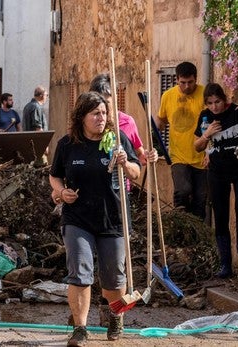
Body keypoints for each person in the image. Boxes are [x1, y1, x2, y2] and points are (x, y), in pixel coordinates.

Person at [50, 92, 151, 346]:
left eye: (104, 113)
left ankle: (115, 316)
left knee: (113, 279)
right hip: (77, 219)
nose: (101, 118)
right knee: (80, 272)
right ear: (81, 117)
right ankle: (80, 329)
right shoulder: (67, 145)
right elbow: (55, 176)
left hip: (113, 218)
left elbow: (137, 174)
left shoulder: (117, 141)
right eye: (95, 113)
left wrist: (125, 163)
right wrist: (62, 192)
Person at [193, 83, 238, 278]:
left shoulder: (237, 112)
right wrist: (207, 134)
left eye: (217, 102)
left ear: (224, 99)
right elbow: (197, 147)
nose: (214, 107)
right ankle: (225, 264)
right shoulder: (205, 117)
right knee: (220, 215)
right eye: (210, 103)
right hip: (217, 171)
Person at [155, 62, 207, 219]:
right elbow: (161, 120)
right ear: (176, 80)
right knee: (182, 191)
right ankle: (180, 224)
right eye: (182, 82)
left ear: (195, 79)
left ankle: (198, 236)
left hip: (201, 157)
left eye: (190, 82)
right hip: (178, 155)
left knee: (200, 198)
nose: (186, 86)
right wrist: (155, 131)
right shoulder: (168, 96)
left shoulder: (204, 95)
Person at [90, 74, 147, 165]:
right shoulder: (86, 122)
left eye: (106, 102)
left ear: (115, 97)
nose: (101, 106)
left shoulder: (127, 122)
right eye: (97, 102)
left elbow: (139, 156)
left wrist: (148, 157)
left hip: (119, 178)